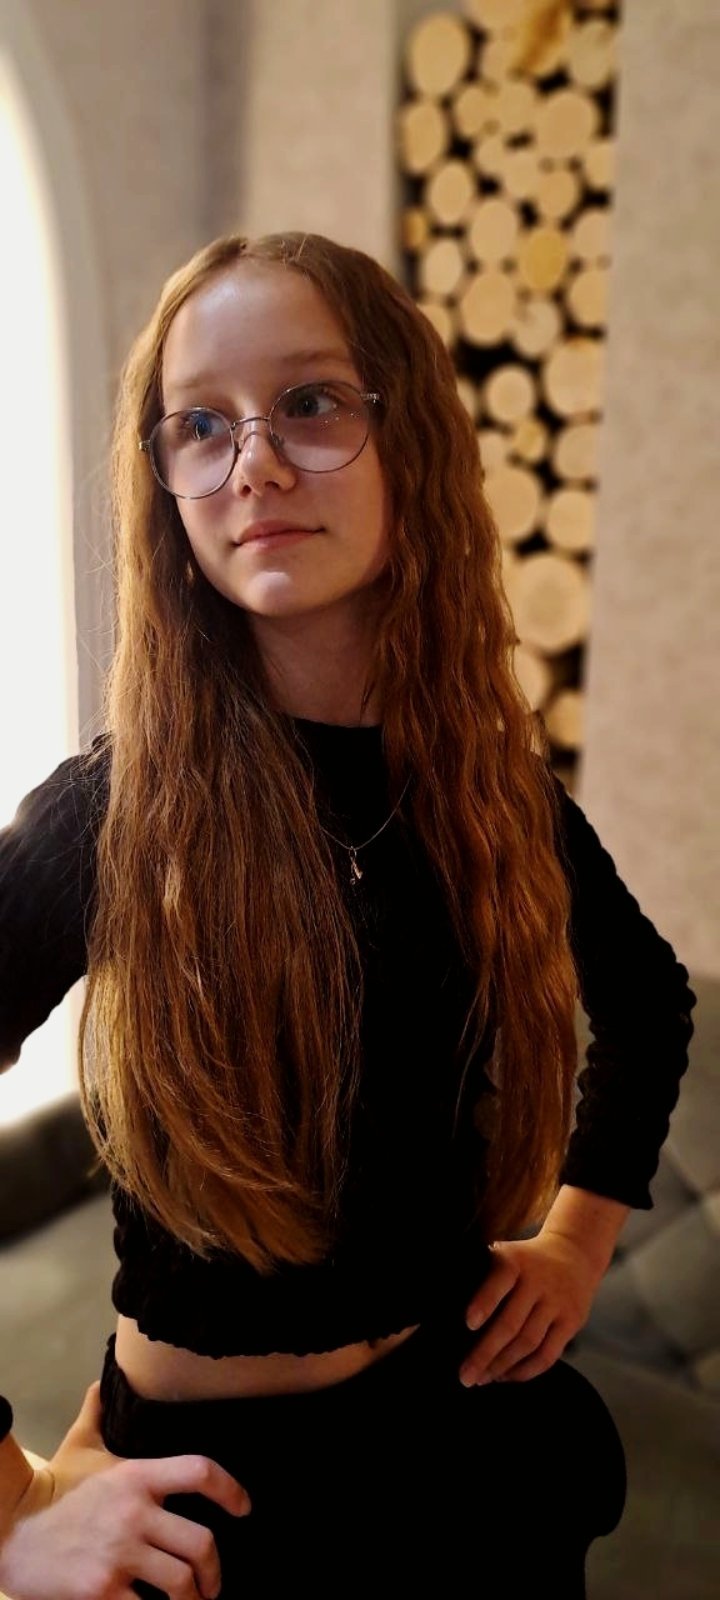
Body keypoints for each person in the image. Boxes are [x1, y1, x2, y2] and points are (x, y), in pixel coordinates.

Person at [0, 229, 696, 1600]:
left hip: (462, 1456)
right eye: (201, 425)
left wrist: (576, 1242)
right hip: (209, 1510)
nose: (253, 461)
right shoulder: (118, 811)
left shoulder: (490, 792)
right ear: (165, 484)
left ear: (408, 441)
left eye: (310, 402)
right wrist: (10, 1511)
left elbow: (651, 1003)